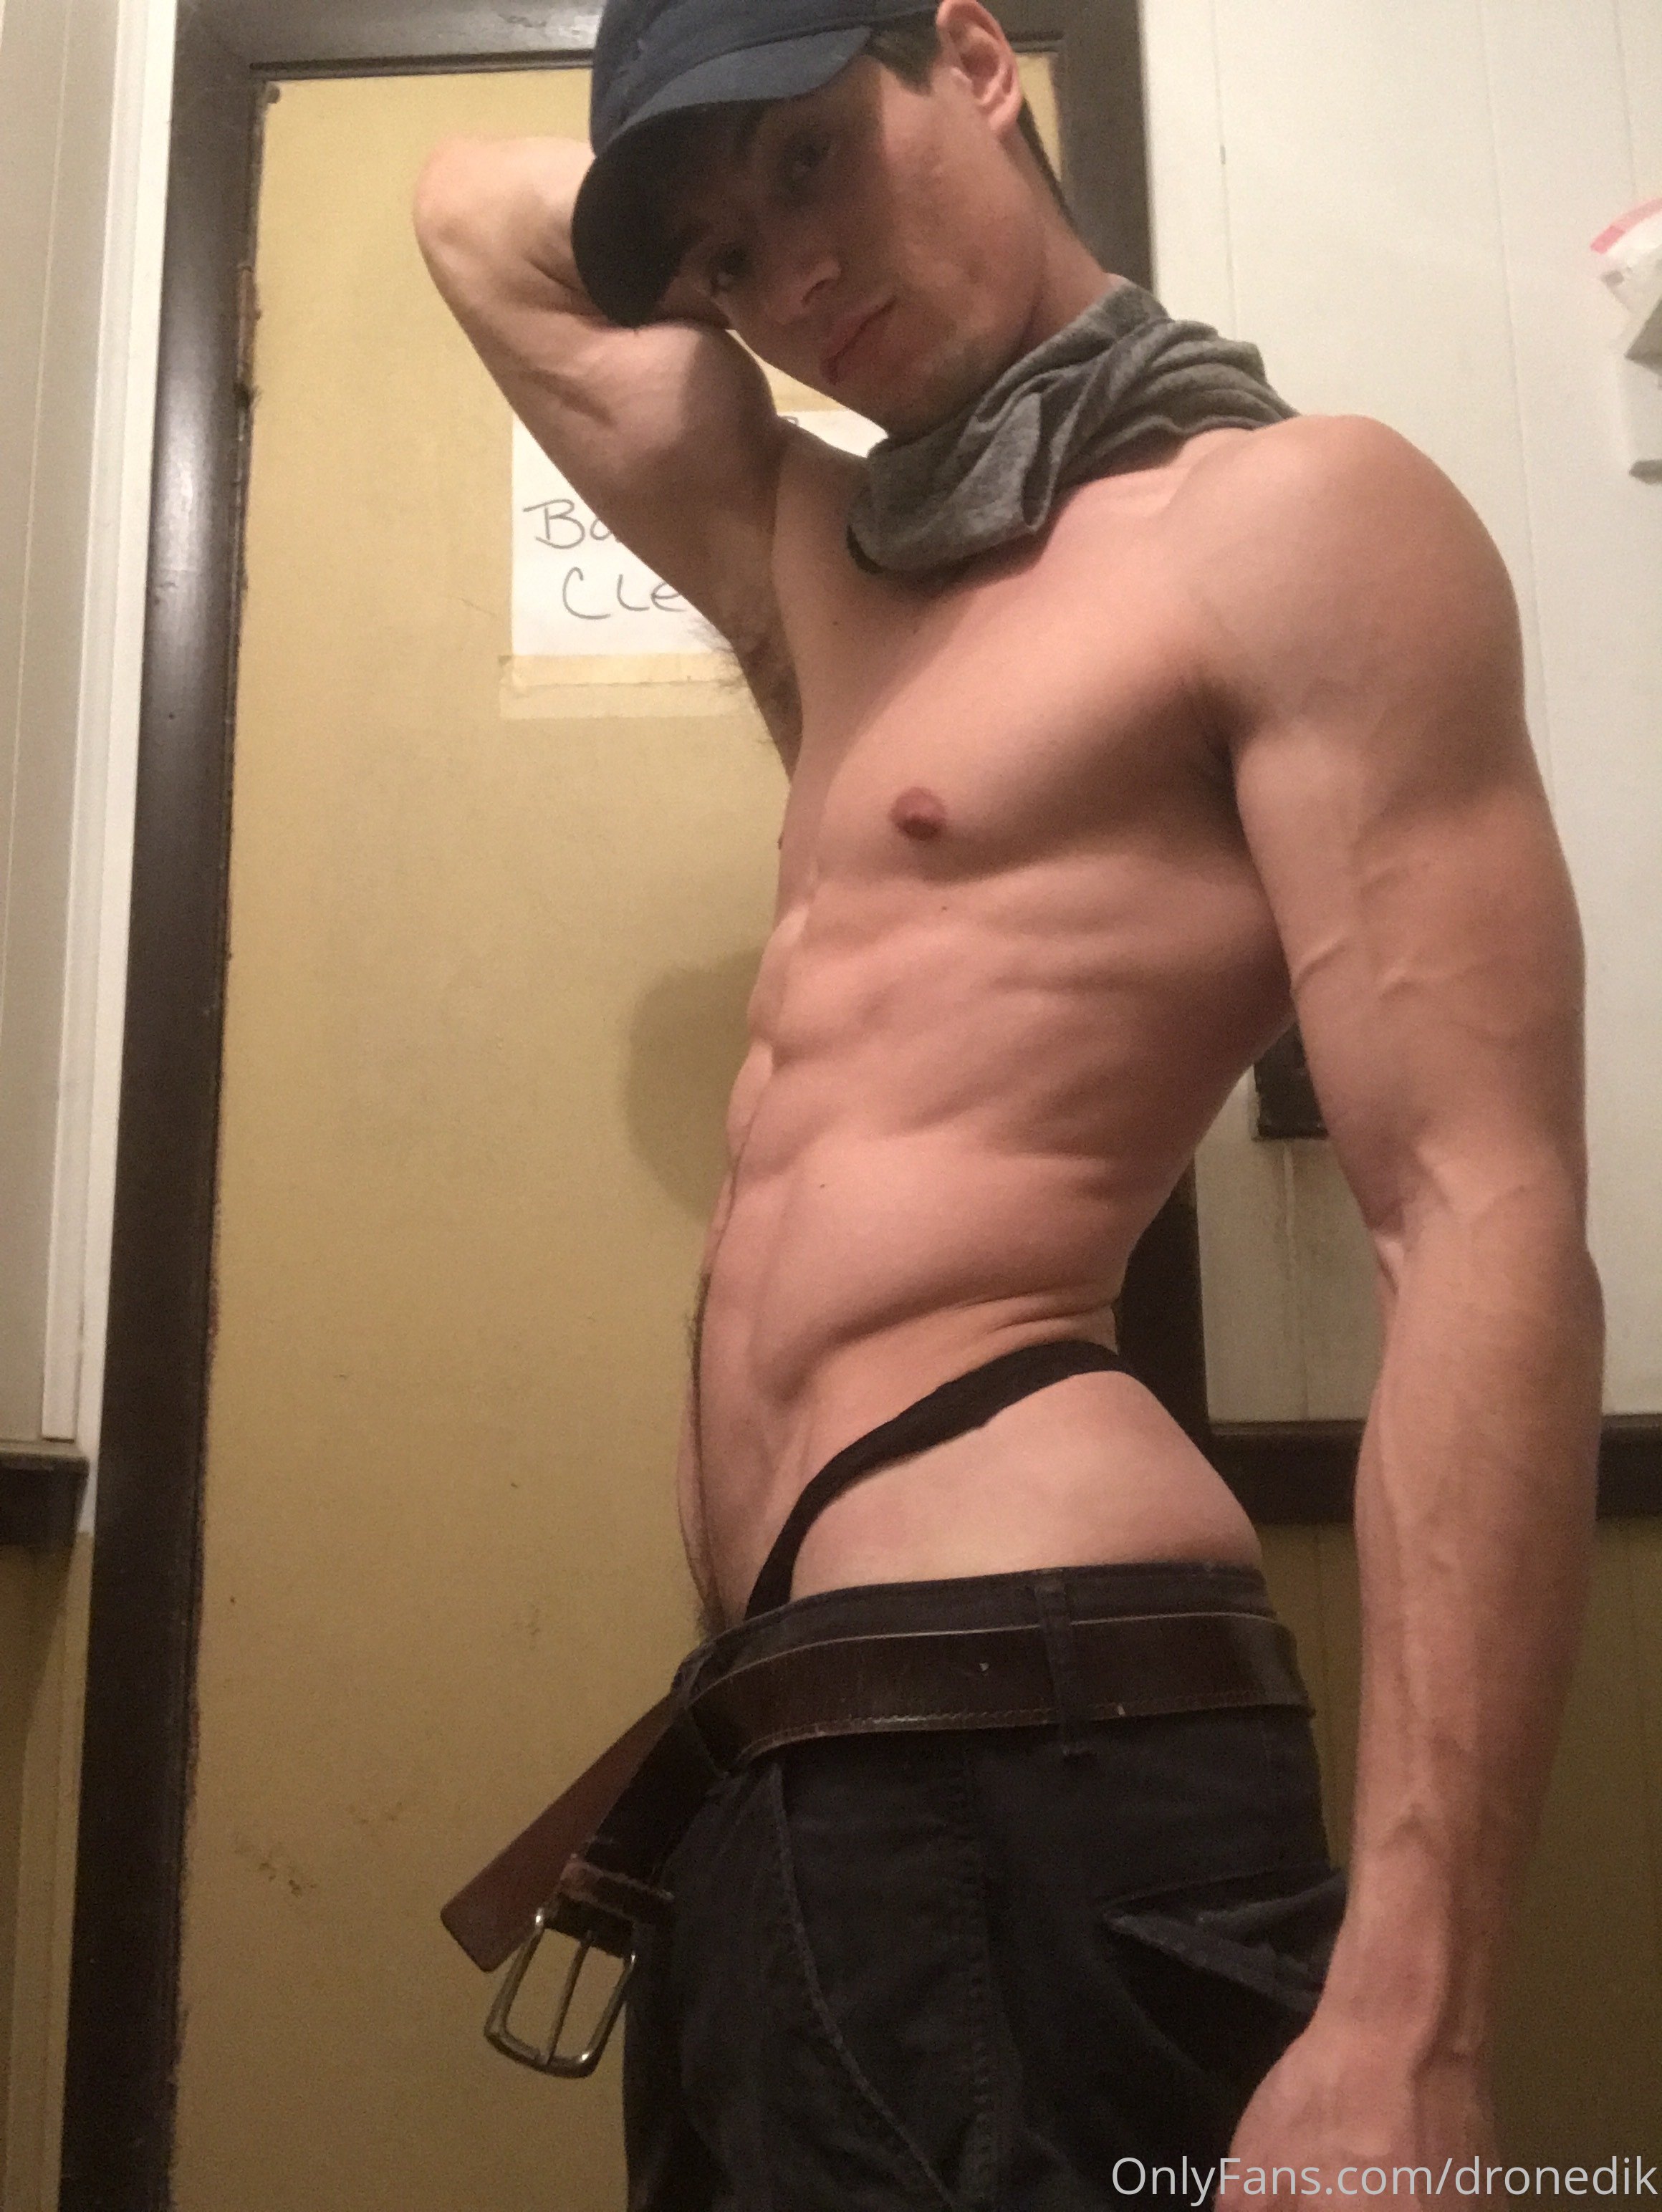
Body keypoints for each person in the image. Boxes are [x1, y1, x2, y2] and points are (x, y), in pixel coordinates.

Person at [415, 2, 1603, 2203]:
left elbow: (1482, 1218)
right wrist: (705, 186)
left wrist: (1413, 2014)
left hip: (1034, 1739)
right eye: (723, 256)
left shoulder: (1292, 520)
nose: (790, 280)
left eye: (810, 159)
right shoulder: (829, 561)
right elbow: (464, 212)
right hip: (777, 1745)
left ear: (977, 59)